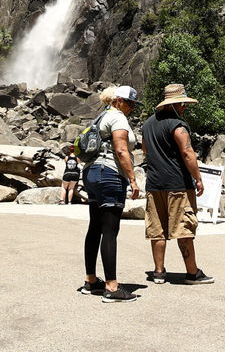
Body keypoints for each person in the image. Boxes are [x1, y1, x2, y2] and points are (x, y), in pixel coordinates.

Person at [141, 83, 214, 285]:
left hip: (154, 184)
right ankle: (192, 273)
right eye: (182, 104)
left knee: (157, 229)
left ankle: (158, 272)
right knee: (184, 227)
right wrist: (198, 178)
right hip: (178, 184)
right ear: (175, 104)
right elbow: (187, 153)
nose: (184, 108)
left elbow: (145, 151)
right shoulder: (178, 125)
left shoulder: (147, 125)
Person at [79, 85, 142, 302]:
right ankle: (112, 287)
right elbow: (121, 149)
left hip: (92, 173)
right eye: (130, 103)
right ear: (118, 101)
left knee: (95, 227)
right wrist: (133, 179)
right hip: (110, 174)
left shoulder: (101, 117)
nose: (133, 107)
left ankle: (90, 281)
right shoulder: (118, 118)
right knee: (110, 230)